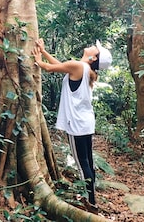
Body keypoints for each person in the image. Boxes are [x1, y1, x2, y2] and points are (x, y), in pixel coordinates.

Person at [32, 38, 112, 210]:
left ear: (94, 58)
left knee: (82, 163)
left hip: (76, 125)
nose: (91, 46)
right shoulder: (83, 68)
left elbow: (48, 67)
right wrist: (44, 52)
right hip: (86, 123)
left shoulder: (78, 66)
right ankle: (92, 199)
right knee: (88, 162)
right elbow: (62, 67)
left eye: (95, 49)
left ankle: (90, 203)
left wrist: (38, 58)